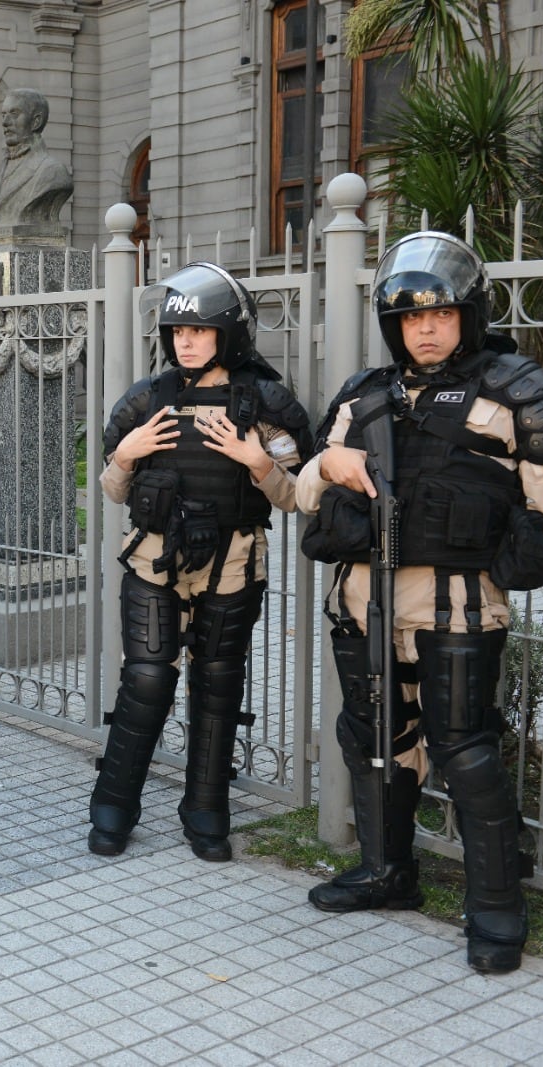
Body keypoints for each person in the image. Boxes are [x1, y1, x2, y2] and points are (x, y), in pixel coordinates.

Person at [297, 232, 543, 974]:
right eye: (410, 316)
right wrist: (327, 462)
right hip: (364, 601)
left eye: (442, 314)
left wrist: (523, 541)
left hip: (457, 604)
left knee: (465, 746)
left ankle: (495, 905)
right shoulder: (363, 395)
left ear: (469, 315)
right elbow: (300, 491)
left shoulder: (517, 387)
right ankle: (389, 871)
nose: (425, 328)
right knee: (372, 733)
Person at [88, 262, 312, 861]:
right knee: (147, 679)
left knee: (218, 685)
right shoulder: (146, 400)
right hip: (155, 561)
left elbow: (296, 498)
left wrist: (255, 460)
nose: (185, 342)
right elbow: (113, 492)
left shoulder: (263, 403)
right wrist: (128, 456)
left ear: (228, 334)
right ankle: (113, 801)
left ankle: (206, 806)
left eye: (200, 332)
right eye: (177, 332)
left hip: (234, 563)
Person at [0, 88, 73, 233]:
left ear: (36, 122)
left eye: (14, 114)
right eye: (3, 115)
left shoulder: (52, 172)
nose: (5, 122)